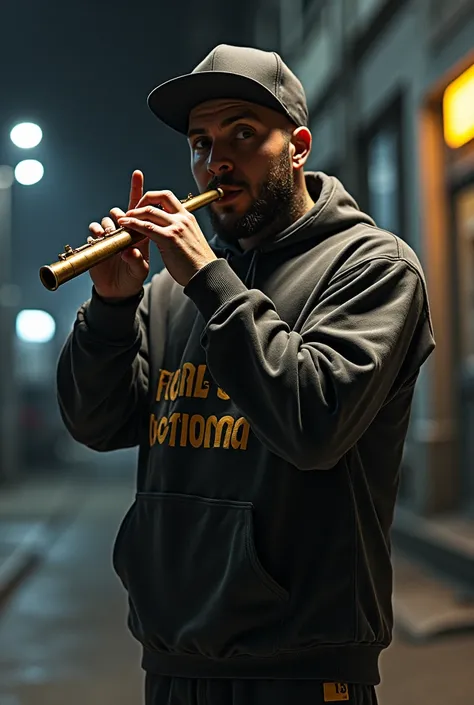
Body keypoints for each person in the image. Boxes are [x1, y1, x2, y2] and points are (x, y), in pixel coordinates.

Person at [56, 44, 435, 705]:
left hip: (303, 666)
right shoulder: (175, 288)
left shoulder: (373, 267)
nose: (215, 161)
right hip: (174, 656)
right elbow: (98, 421)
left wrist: (210, 280)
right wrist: (112, 308)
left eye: (242, 134)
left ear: (299, 146)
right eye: (201, 142)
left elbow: (313, 422)